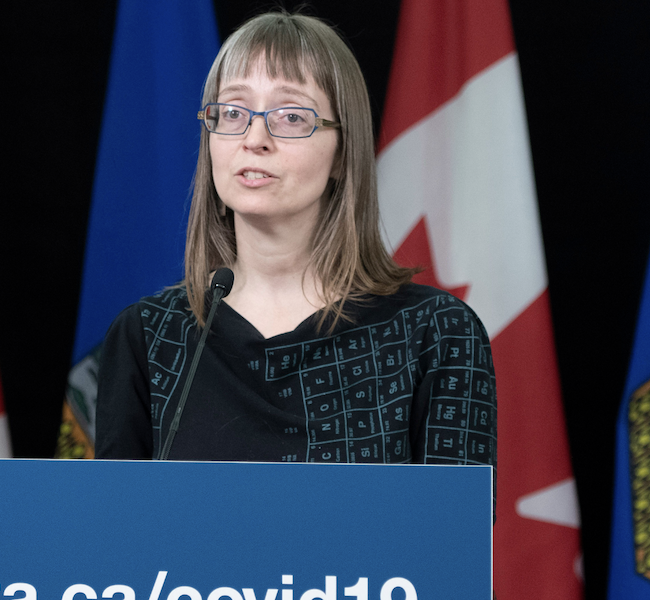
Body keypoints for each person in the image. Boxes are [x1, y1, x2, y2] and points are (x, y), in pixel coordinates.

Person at [94, 11, 496, 472]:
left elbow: (453, 540)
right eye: (232, 112)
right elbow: (116, 535)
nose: (254, 138)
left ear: (344, 153)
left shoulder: (435, 333)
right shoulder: (148, 338)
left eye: (290, 116)